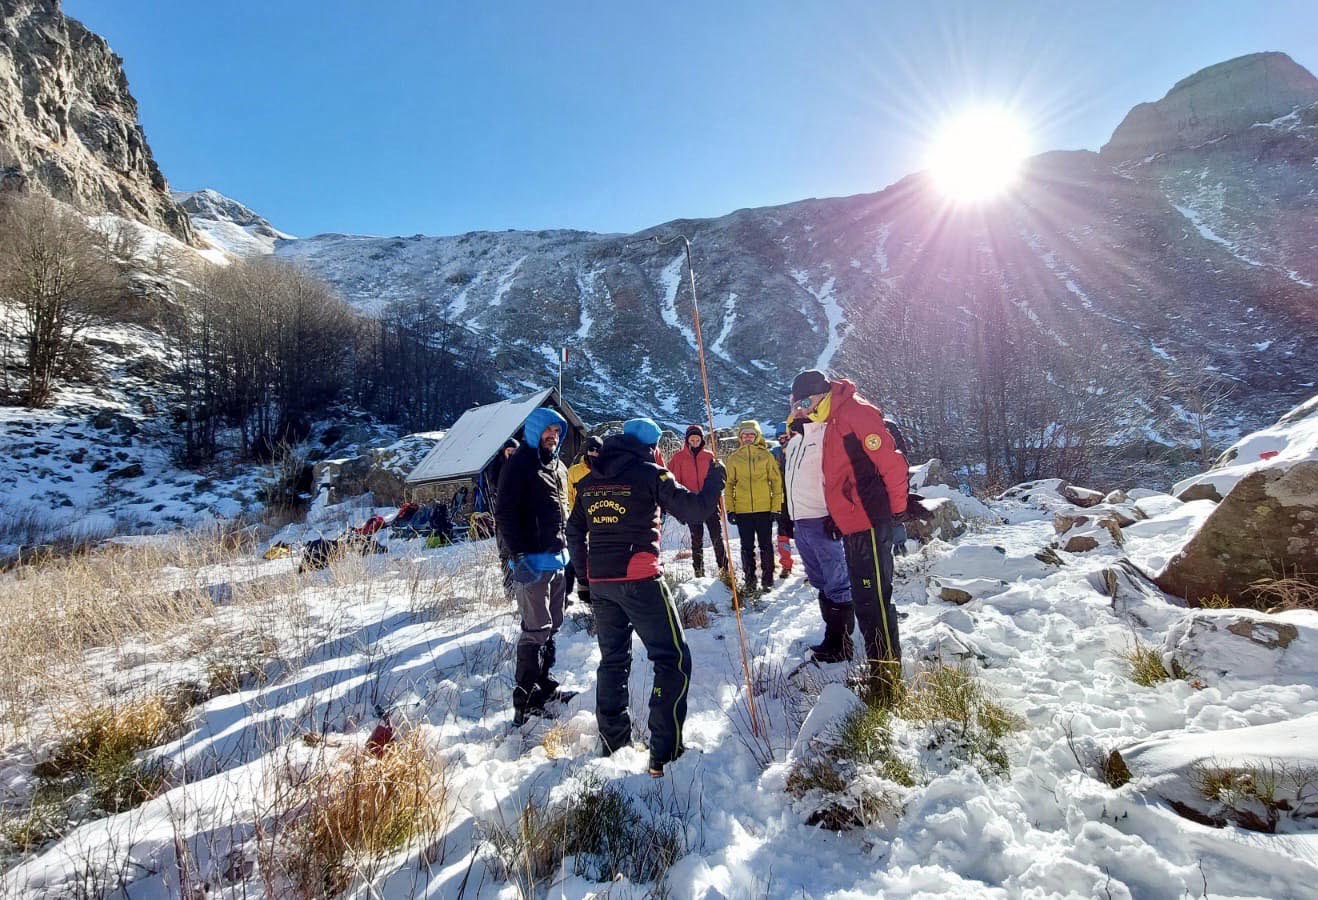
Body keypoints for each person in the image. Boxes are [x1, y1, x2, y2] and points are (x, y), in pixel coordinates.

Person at [566, 417, 726, 777]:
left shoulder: (590, 480)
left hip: (602, 582)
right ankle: (663, 754)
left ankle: (613, 744)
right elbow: (696, 511)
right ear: (652, 447)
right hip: (639, 577)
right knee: (672, 659)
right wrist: (716, 477)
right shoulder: (652, 474)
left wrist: (585, 578)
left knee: (613, 661)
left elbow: (573, 528)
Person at [790, 369, 910, 704]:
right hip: (853, 525)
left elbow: (891, 463)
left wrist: (896, 511)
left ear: (822, 393)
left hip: (869, 521)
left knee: (874, 604)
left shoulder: (855, 412)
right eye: (797, 404)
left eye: (806, 402)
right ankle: (879, 672)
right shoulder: (830, 419)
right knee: (865, 602)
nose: (803, 409)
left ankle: (887, 687)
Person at [494, 408, 571, 726]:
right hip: (532, 562)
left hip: (556, 559)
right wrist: (519, 555)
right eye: (548, 429)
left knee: (551, 627)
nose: (553, 434)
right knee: (535, 630)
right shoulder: (521, 464)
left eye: (557, 430)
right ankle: (524, 701)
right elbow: (505, 513)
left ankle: (544, 687)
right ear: (536, 429)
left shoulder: (552, 464)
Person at [782, 413, 853, 662]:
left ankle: (843, 644)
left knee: (837, 581)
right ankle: (830, 638)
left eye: (804, 407)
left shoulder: (825, 435)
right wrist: (787, 515)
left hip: (823, 518)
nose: (797, 415)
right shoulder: (791, 444)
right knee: (820, 580)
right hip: (800, 521)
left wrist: (838, 512)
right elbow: (791, 482)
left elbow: (841, 476)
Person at [724, 420, 783, 594]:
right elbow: (729, 485)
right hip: (743, 511)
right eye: (744, 434)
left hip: (764, 509)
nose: (748, 437)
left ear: (757, 435)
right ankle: (750, 580)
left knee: (766, 545)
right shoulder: (734, 458)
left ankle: (768, 579)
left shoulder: (766, 456)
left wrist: (776, 507)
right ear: (740, 437)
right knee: (746, 547)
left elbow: (776, 482)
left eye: (751, 434)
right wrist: (730, 509)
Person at [667, 424, 729, 578]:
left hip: (709, 502)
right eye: (692, 439)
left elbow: (717, 482)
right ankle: (699, 573)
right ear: (687, 440)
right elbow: (673, 482)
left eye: (697, 439)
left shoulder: (710, 456)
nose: (695, 442)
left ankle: (724, 569)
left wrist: (719, 468)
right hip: (691, 504)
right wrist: (679, 507)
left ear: (702, 440)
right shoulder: (678, 458)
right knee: (696, 540)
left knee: (717, 537)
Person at [565, 435, 604, 603]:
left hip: (598, 518)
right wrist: (573, 514)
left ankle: (592, 595)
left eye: (598, 450)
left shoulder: (605, 468)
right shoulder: (574, 471)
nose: (594, 453)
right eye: (591, 449)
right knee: (574, 558)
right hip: (578, 518)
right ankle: (566, 595)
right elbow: (569, 495)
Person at [772, 424, 795, 578]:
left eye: (785, 437)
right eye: (779, 438)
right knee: (782, 533)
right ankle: (786, 564)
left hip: (799, 497)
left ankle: (811, 566)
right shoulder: (775, 453)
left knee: (804, 533)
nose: (782, 441)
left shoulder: (799, 449)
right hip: (781, 498)